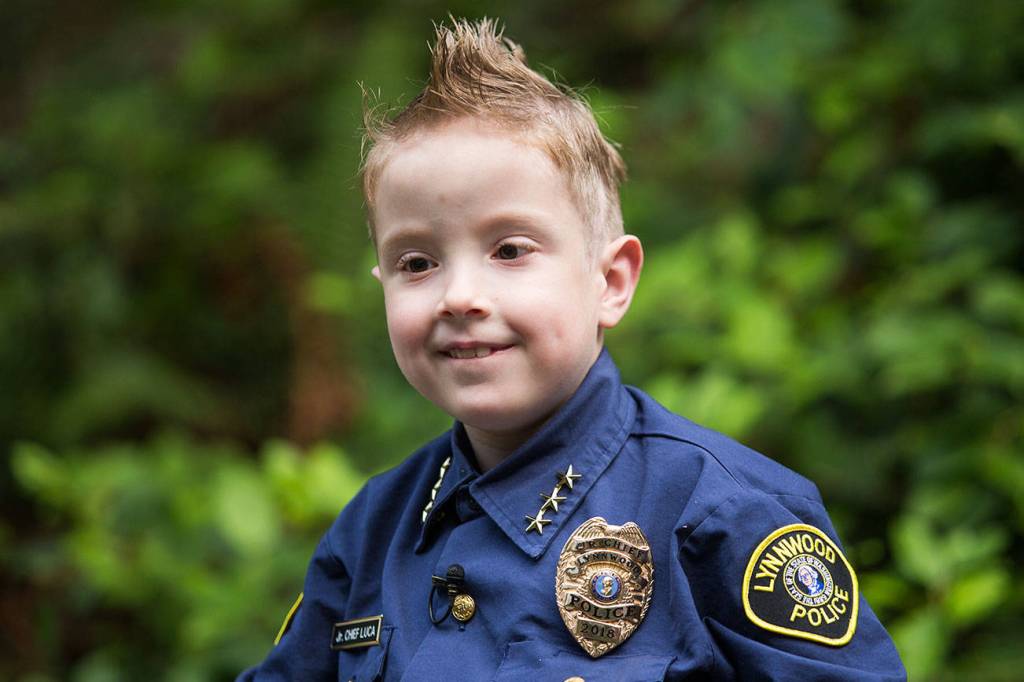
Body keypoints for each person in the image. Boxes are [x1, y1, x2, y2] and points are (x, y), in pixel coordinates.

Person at [238, 17, 906, 681]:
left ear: (610, 282)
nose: (459, 296)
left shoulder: (721, 515)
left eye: (509, 250)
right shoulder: (371, 533)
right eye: (416, 263)